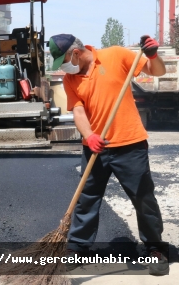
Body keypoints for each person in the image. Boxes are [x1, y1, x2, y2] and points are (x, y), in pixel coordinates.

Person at [49, 34, 169, 276]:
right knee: (86, 199)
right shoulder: (70, 79)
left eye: (63, 60)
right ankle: (77, 248)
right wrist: (89, 136)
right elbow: (79, 112)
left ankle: (155, 248)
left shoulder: (116, 55)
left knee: (143, 198)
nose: (63, 67)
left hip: (130, 144)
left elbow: (157, 72)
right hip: (96, 147)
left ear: (75, 53)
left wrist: (153, 56)